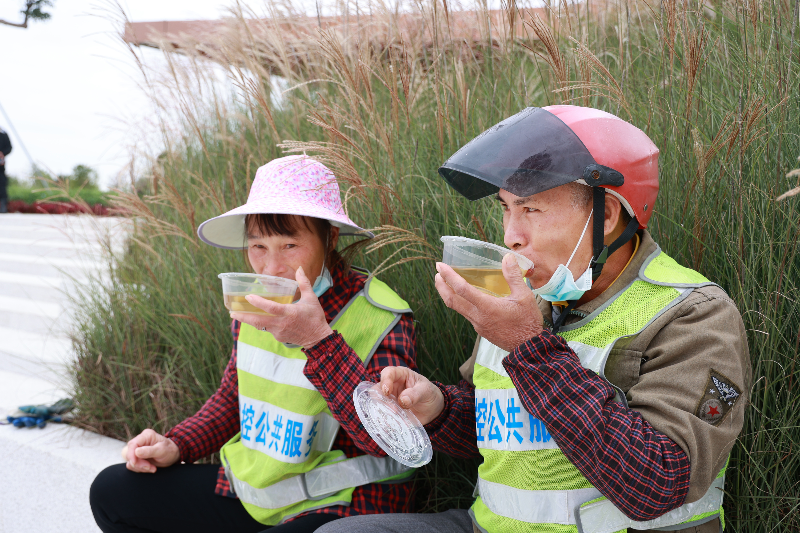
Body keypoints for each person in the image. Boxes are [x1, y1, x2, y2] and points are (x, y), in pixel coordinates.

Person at [316, 106, 751, 533]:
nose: (510, 235)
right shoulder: (526, 299)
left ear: (605, 215)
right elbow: (500, 433)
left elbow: (655, 484)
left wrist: (528, 346)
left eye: (531, 210)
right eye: (506, 208)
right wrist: (440, 409)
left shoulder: (692, 313)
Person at [90, 155, 418, 533]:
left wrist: (317, 341)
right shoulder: (254, 302)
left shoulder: (382, 315)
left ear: (330, 239)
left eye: (290, 245)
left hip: (342, 503)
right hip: (258, 492)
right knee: (113, 492)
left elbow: (387, 440)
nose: (271, 268)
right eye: (258, 246)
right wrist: (176, 444)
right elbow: (233, 399)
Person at [0, 126, 12, 213]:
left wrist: (2, 153)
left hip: (0, 166)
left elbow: (9, 147)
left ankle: (3, 207)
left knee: (2, 185)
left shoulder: (3, 133)